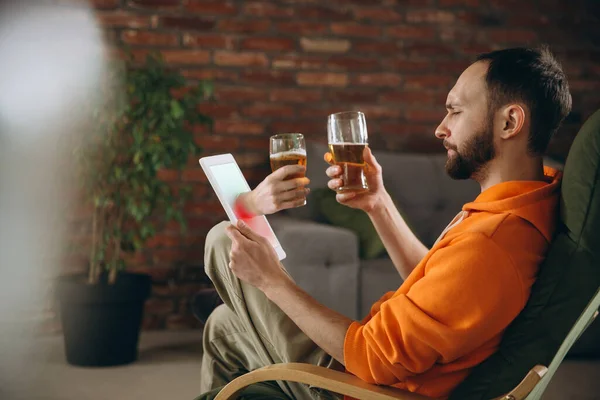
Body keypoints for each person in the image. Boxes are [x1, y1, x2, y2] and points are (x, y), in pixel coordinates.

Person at [195, 46, 572, 400]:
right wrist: (379, 204)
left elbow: (373, 357)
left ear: (510, 121)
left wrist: (271, 281)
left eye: (455, 111)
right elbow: (442, 288)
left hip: (362, 387)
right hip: (379, 364)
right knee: (223, 326)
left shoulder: (493, 240)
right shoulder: (521, 205)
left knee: (225, 239)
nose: (441, 128)